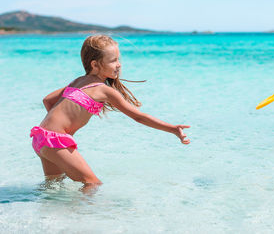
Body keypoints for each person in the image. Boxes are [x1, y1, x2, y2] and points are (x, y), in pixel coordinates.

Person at [30, 35, 190, 193]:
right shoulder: (104, 90)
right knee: (92, 183)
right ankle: (83, 217)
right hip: (54, 141)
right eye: (113, 60)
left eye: (118, 59)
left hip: (40, 136)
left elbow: (48, 100)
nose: (119, 65)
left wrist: (59, 128)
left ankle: (48, 216)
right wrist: (173, 129)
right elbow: (139, 117)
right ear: (95, 65)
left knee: (52, 187)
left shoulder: (78, 81)